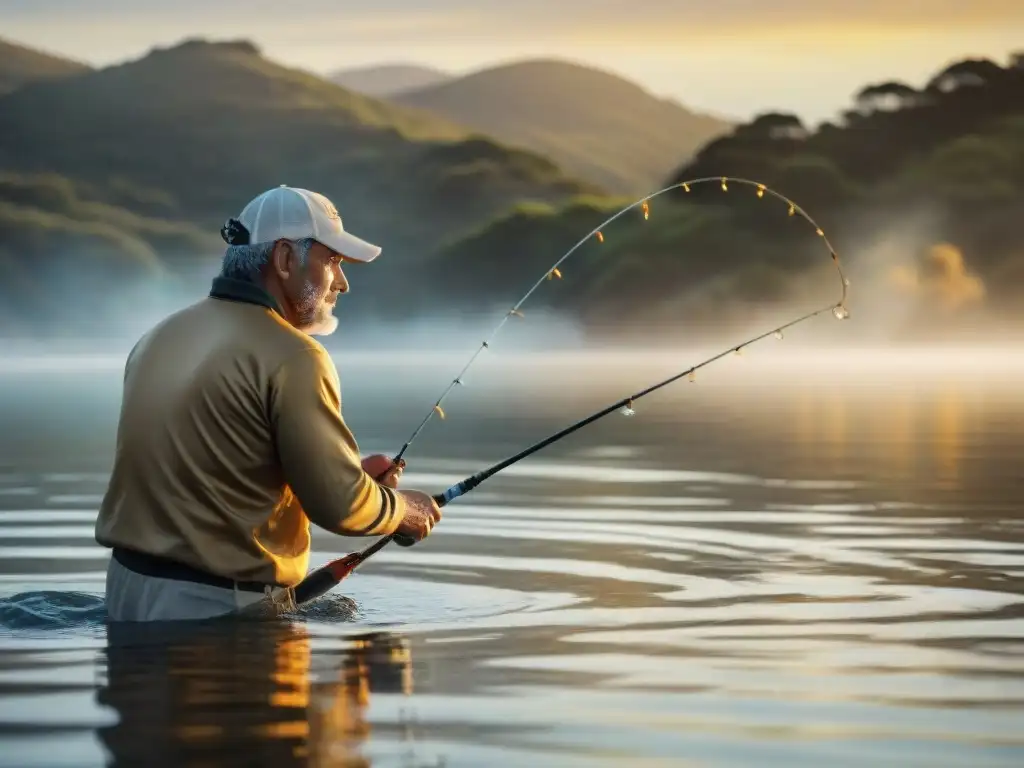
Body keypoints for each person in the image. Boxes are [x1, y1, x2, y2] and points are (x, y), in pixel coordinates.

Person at [94, 184, 442, 622]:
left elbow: (216, 470)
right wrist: (402, 510)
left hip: (126, 595)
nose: (343, 282)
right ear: (282, 259)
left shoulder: (159, 337)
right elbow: (339, 506)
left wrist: (357, 479)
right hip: (214, 612)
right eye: (332, 260)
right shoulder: (296, 355)